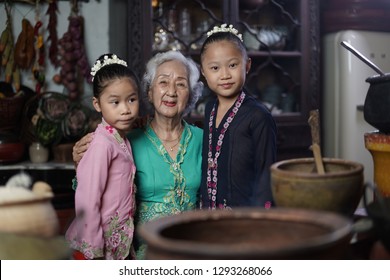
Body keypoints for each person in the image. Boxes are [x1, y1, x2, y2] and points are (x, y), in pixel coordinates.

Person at [72, 50, 204, 259]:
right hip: (142, 253)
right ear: (149, 92)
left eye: (181, 83)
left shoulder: (203, 140)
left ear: (191, 94)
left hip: (192, 249)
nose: (171, 91)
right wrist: (78, 162)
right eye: (163, 82)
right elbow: (90, 191)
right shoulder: (125, 140)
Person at [65, 53, 140, 260]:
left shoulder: (119, 139)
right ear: (97, 104)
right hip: (96, 247)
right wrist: (94, 252)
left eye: (131, 100)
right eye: (115, 102)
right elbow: (87, 200)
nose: (126, 109)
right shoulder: (100, 144)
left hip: (116, 241)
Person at [198, 24, 277, 210]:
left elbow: (267, 175)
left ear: (247, 65)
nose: (225, 75)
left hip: (244, 218)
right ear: (203, 72)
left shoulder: (258, 116)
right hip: (209, 215)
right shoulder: (210, 108)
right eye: (215, 68)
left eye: (233, 65)